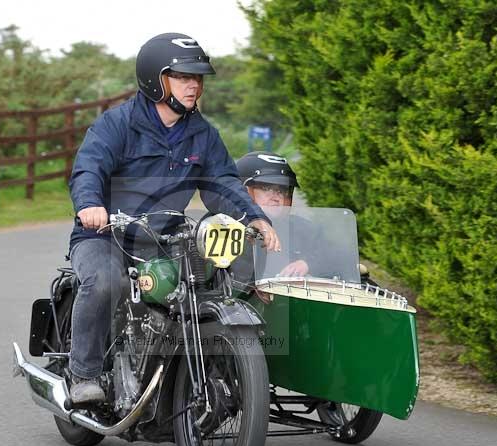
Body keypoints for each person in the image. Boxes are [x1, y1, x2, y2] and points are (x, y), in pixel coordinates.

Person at [66, 33, 280, 403]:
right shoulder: (117, 124)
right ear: (156, 80)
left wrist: (253, 217)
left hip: (166, 240)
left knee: (215, 282)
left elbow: (222, 182)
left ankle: (203, 378)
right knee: (105, 282)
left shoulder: (203, 134)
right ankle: (82, 374)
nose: (194, 85)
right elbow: (88, 169)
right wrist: (90, 205)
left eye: (197, 78)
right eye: (183, 77)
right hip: (105, 234)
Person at [232, 151, 341, 284]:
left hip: (288, 302)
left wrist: (308, 263)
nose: (277, 197)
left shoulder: (304, 228)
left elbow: (338, 255)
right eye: (266, 188)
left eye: (283, 190)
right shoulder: (223, 226)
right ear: (243, 191)